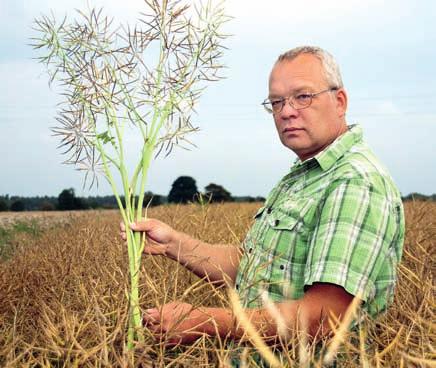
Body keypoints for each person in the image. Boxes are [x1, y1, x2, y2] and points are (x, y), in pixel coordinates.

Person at [120, 46, 405, 360]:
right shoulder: (303, 175)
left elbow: (326, 317)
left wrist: (206, 321)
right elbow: (254, 266)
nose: (286, 111)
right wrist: (173, 243)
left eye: (303, 96)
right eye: (276, 102)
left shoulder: (354, 181)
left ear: (340, 102)